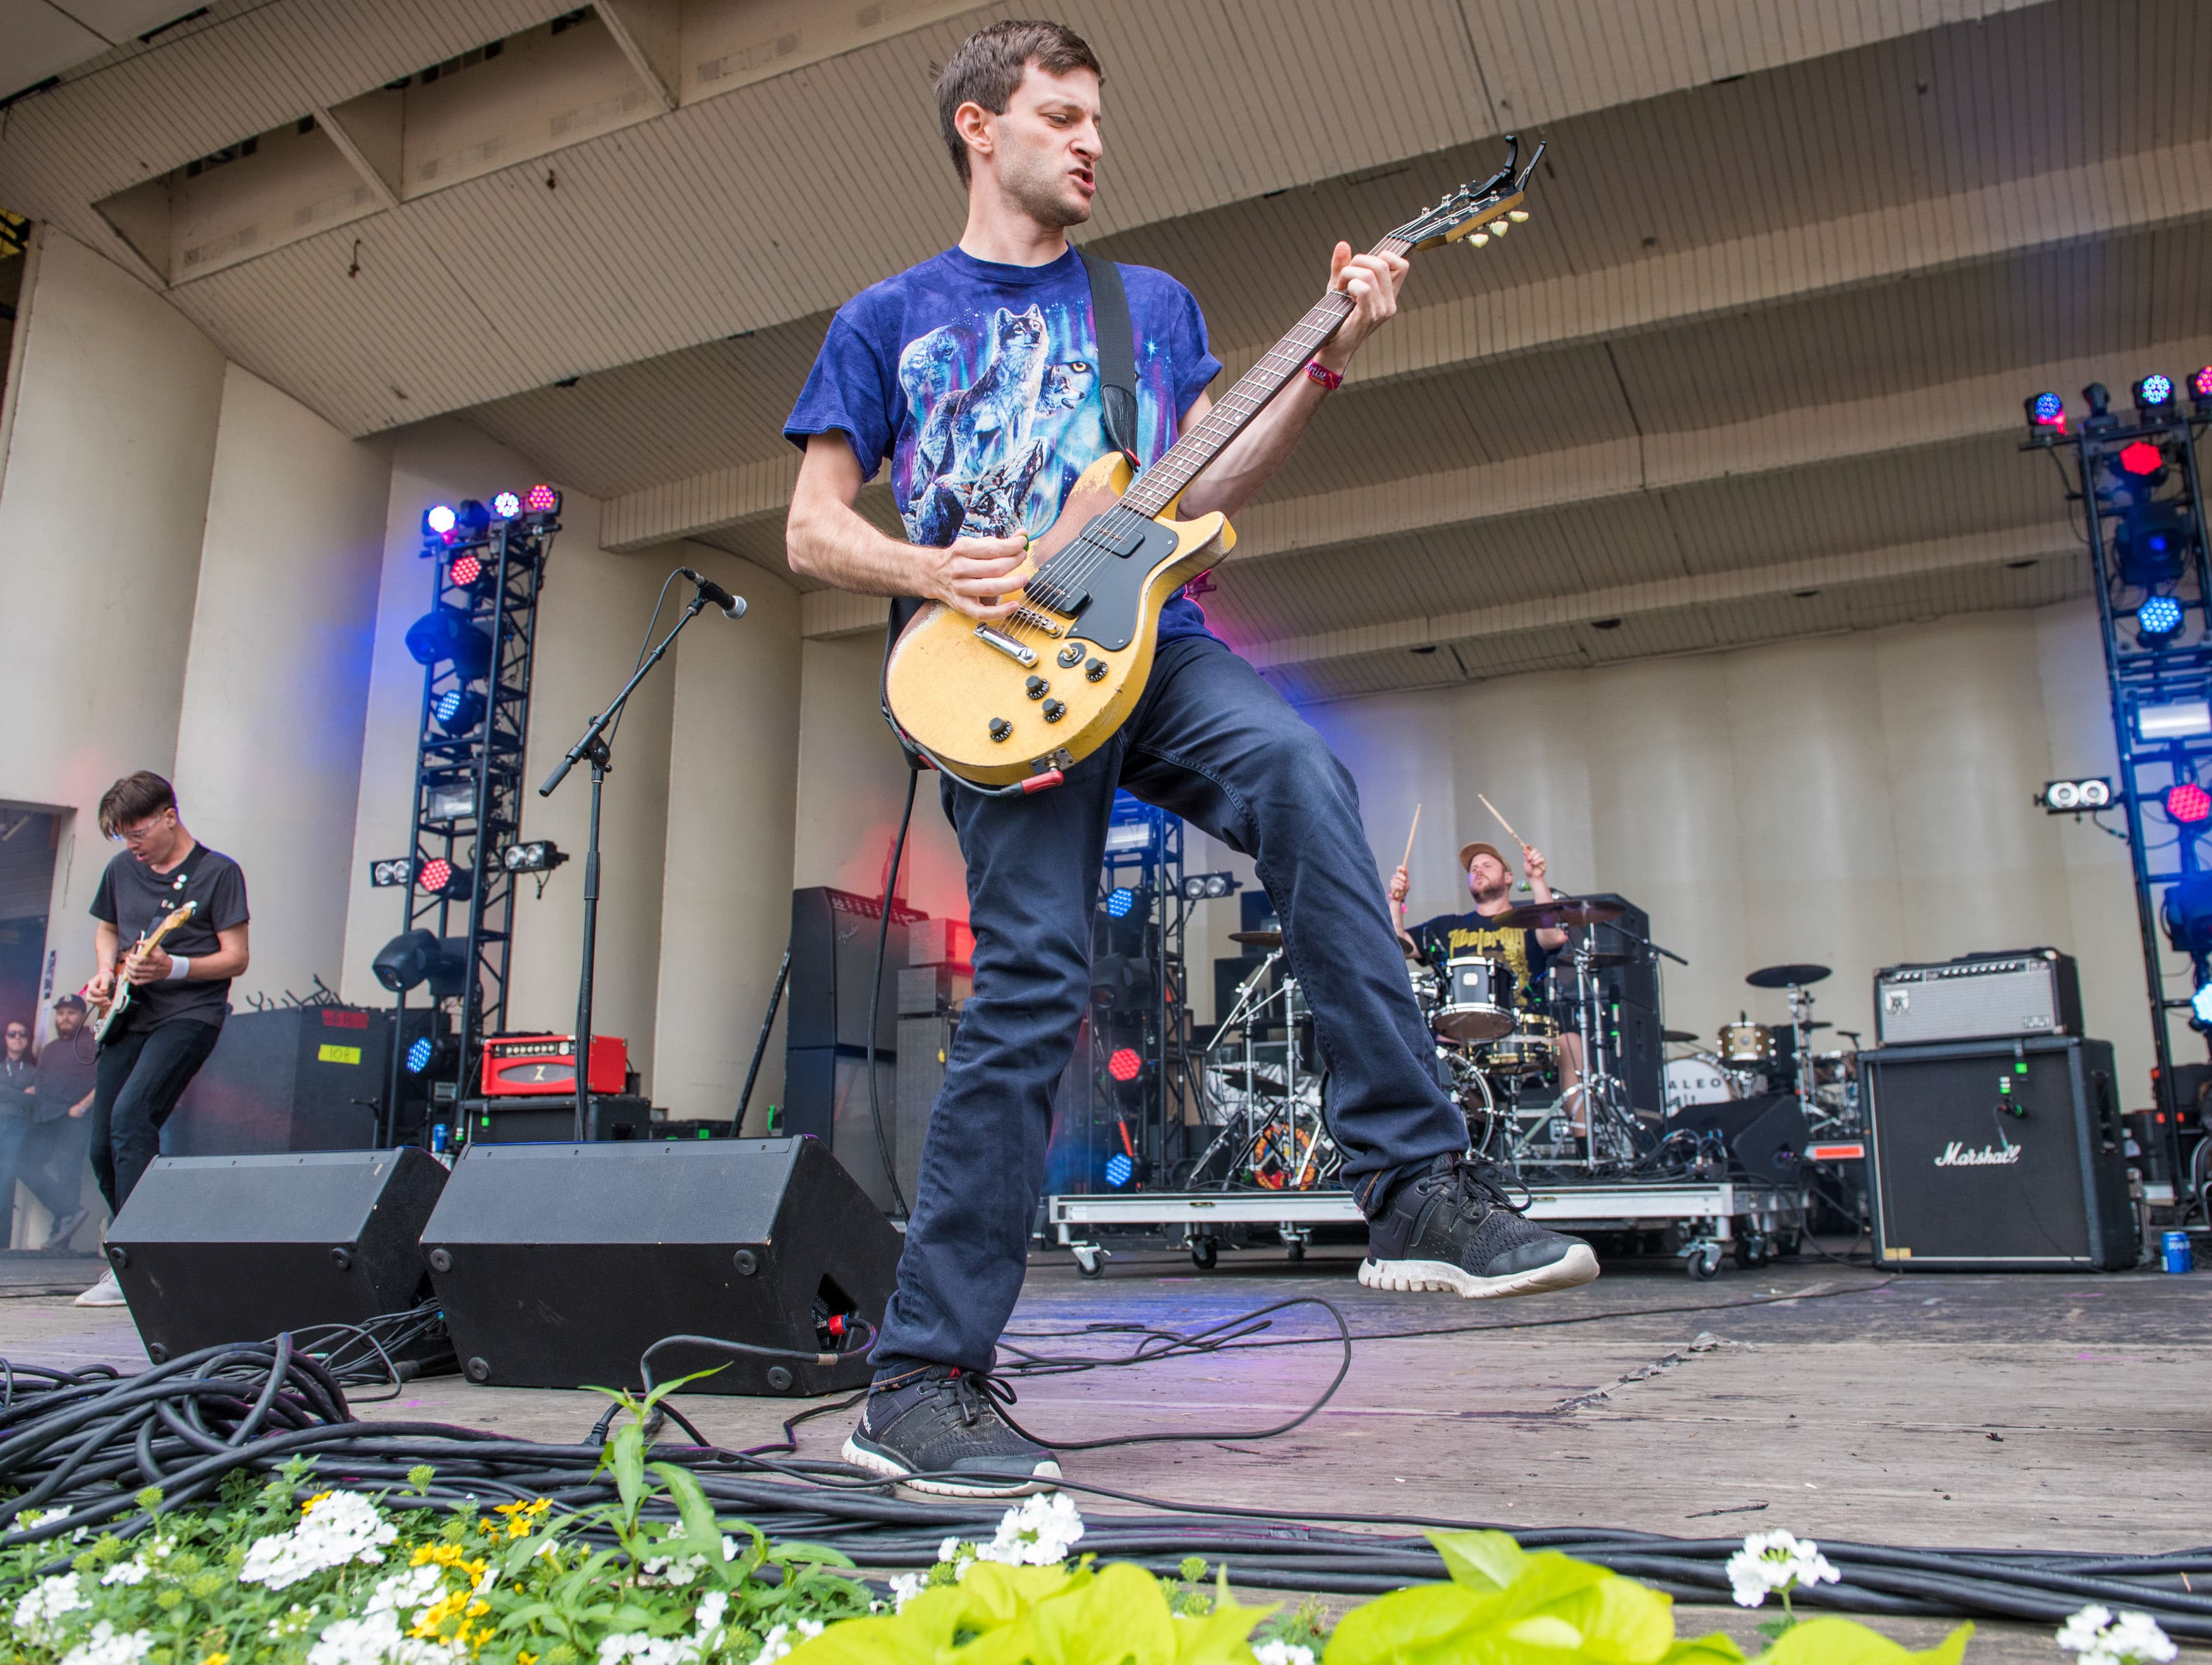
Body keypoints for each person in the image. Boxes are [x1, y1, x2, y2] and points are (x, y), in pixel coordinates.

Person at [783, 20, 1596, 1498]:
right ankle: (918, 1383)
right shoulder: (889, 316)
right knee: (1032, 983)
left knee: (1300, 774)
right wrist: (928, 567)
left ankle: (1412, 1183)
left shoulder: (1144, 306)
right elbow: (810, 528)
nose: (1092, 140)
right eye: (1061, 114)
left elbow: (1205, 480)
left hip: (1151, 644)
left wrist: (1330, 355)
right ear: (978, 126)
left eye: (1099, 117)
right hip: (995, 674)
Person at [71, 772, 250, 1307]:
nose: (133, 846)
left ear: (169, 816)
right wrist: (105, 972)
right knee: (102, 1144)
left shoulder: (218, 873)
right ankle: (141, 1244)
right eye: (123, 837)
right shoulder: (121, 868)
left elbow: (237, 957)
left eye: (138, 833)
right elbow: (108, 927)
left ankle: (135, 1263)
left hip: (189, 1013)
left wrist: (174, 967)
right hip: (129, 1013)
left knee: (132, 1117)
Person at [1390, 840, 1585, 1125]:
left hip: (1522, 1029)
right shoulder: (1447, 927)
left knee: (1571, 1043)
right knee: (1427, 1049)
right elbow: (1397, 945)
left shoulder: (1526, 922)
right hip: (1462, 1036)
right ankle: (1470, 1135)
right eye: (1473, 869)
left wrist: (1536, 879)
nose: (1478, 870)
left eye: (1487, 865)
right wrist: (1396, 900)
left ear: (1508, 877)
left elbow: (1554, 936)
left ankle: (1585, 1145)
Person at [21, 993, 97, 1249]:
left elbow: (104, 1081)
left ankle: (60, 1238)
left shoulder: (92, 1043)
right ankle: (68, 1212)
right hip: (45, 1117)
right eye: (61, 1013)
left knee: (68, 1173)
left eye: (71, 1013)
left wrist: (82, 1107)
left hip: (73, 1118)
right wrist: (33, 1090)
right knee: (24, 1164)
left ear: (82, 1016)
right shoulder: (51, 1048)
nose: (65, 1018)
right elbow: (42, 1081)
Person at [0, 1017, 33, 1241]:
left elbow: (33, 1101)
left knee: (5, 1179)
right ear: (5, 1038)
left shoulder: (32, 1071)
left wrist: (5, 1090)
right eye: (12, 1034)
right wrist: (20, 1094)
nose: (17, 1038)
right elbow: (24, 1098)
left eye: (22, 1034)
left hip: (17, 1127)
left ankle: (2, 1242)